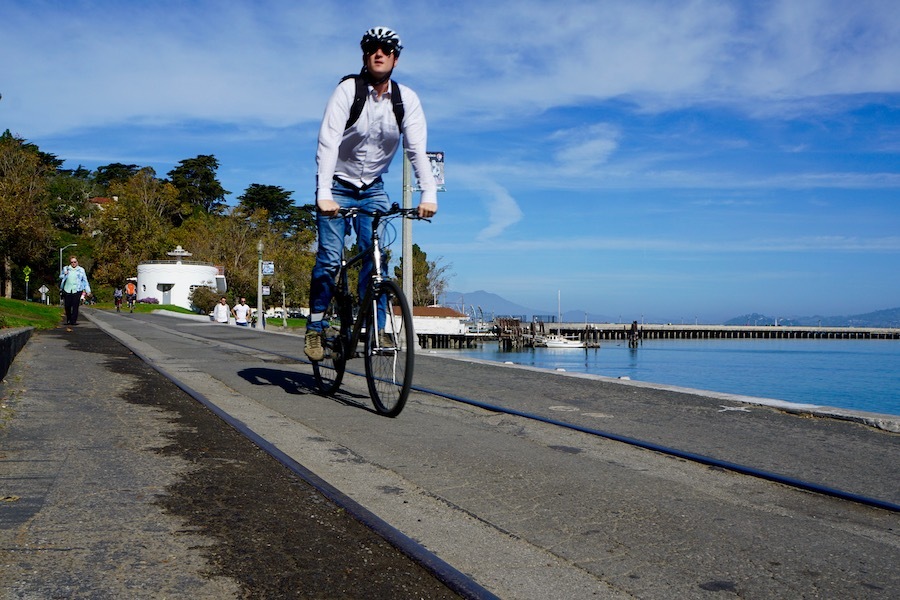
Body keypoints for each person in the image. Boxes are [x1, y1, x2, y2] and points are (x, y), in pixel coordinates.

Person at [305, 26, 437, 361]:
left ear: (395, 58)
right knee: (330, 259)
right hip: (336, 184)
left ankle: (374, 331)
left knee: (376, 258)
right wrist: (324, 193)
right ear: (365, 55)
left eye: (386, 49)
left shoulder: (406, 100)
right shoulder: (349, 91)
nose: (379, 53)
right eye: (373, 48)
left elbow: (417, 151)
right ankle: (316, 326)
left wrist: (429, 194)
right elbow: (328, 142)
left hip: (373, 186)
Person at [60, 256, 91, 326]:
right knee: (67, 306)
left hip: (77, 289)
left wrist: (88, 291)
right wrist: (64, 274)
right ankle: (68, 319)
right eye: (72, 262)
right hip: (67, 289)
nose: (73, 263)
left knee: (75, 306)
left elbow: (85, 281)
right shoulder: (66, 269)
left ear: (77, 262)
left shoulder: (81, 270)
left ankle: (73, 321)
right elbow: (60, 276)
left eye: (75, 262)